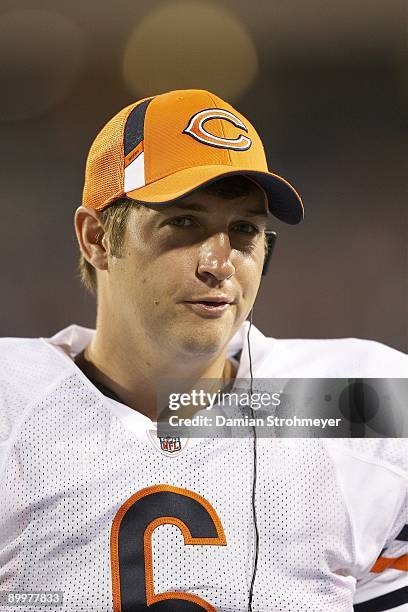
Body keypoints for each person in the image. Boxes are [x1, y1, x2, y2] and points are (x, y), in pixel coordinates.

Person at [0, 89, 406, 612]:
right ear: (97, 238)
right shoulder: (14, 404)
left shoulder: (354, 401)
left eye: (244, 230)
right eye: (184, 222)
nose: (220, 262)